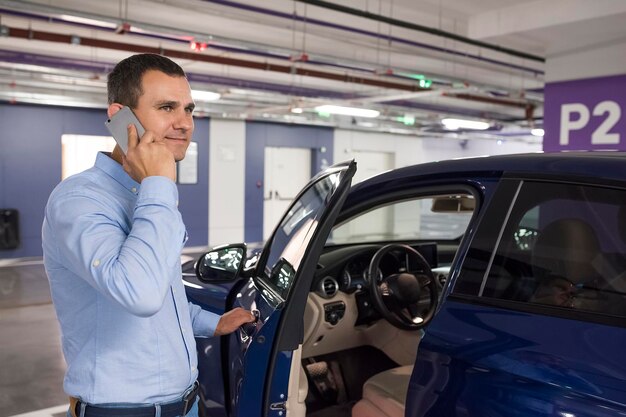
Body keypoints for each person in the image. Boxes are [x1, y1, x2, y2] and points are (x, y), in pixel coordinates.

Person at [42, 53, 255, 417]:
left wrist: (212, 323)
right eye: (167, 107)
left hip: (185, 403)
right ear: (119, 116)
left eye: (188, 109)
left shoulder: (146, 195)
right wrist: (159, 184)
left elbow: (163, 294)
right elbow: (139, 293)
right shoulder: (79, 201)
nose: (184, 123)